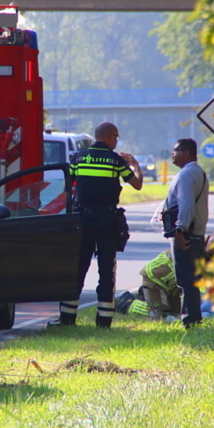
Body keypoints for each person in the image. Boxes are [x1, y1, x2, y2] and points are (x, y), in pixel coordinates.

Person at [56, 122, 143, 328]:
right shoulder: (116, 161)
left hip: (82, 220)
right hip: (107, 220)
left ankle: (67, 318)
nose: (117, 141)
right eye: (117, 137)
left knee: (77, 268)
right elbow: (137, 184)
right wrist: (135, 164)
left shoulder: (78, 158)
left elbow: (67, 186)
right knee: (106, 271)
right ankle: (103, 321)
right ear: (110, 136)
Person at [161, 137, 209, 328]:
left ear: (186, 154)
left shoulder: (186, 175)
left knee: (185, 281)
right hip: (196, 234)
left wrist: (180, 230)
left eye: (175, 151)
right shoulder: (198, 172)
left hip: (186, 235)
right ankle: (191, 318)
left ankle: (191, 321)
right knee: (192, 280)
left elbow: (186, 204)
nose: (173, 154)